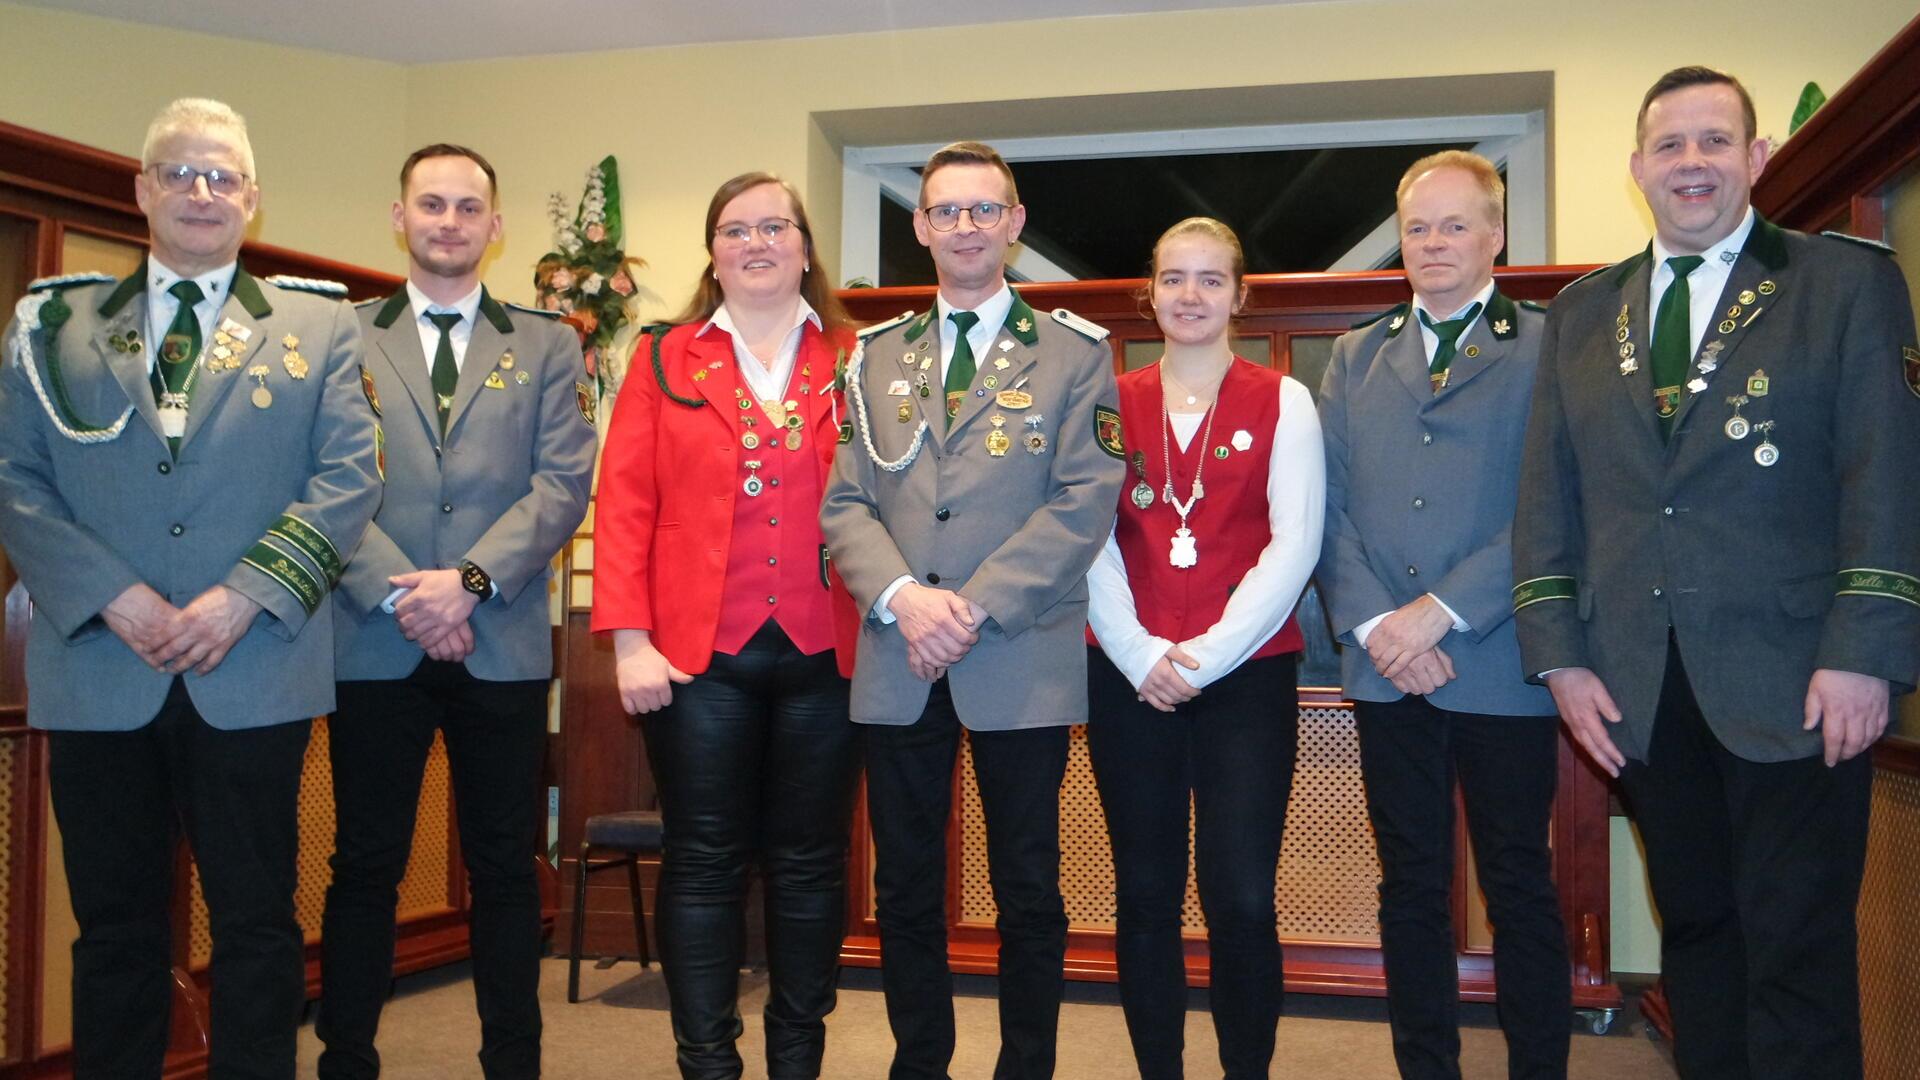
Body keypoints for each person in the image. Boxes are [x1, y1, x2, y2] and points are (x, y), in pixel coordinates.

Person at [1513, 66, 1920, 1079]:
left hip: (1803, 679)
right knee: (1696, 932)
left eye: (1713, 142)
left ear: (1756, 157)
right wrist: (1561, 660)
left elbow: (1888, 474)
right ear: (1638, 168)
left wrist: (1866, 653)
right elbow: (1548, 498)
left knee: (1798, 949)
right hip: (1640, 686)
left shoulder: (1845, 284)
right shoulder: (1580, 314)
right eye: (1671, 145)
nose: (1691, 163)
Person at [0, 97, 381, 1078]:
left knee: (256, 926)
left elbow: (349, 480)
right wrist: (114, 596)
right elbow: (15, 475)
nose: (202, 191)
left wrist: (245, 597)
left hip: (252, 666)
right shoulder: (54, 324)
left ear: (251, 198)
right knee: (115, 929)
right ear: (142, 189)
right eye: (180, 172)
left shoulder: (320, 324)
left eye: (222, 176)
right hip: (99, 667)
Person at [820, 140, 1125, 1080]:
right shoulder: (872, 358)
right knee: (903, 885)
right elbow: (844, 505)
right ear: (919, 228)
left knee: (1028, 887)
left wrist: (973, 608)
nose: (964, 227)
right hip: (899, 655)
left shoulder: (1074, 356)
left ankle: (1025, 1065)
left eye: (983, 210)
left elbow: (1085, 500)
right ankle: (920, 1063)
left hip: (1017, 656)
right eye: (945, 211)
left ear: (1015, 223)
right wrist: (910, 601)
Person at [317, 144, 596, 1080]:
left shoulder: (550, 342)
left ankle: (512, 1062)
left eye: (468, 207)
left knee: (508, 873)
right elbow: (320, 485)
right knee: (364, 868)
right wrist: (408, 593)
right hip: (373, 639)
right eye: (430, 204)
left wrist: (468, 584)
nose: (448, 220)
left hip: (501, 643)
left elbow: (562, 486)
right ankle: (346, 1059)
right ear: (399, 217)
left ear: (495, 225)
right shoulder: (337, 334)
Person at [593, 172, 863, 1080]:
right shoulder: (663, 358)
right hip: (696, 657)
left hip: (830, 653)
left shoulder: (857, 357)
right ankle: (707, 1062)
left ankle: (798, 1059)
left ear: (803, 245)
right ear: (712, 251)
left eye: (774, 226)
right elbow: (625, 502)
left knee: (809, 865)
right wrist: (629, 638)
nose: (756, 242)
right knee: (703, 860)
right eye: (736, 228)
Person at [1317, 151, 1570, 1080]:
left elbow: (1555, 505)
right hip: (1387, 668)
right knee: (1411, 888)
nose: (1432, 243)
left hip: (1499, 662)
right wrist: (1380, 623)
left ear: (1496, 235)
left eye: (1454, 224)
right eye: (1417, 227)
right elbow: (1327, 513)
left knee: (1518, 884)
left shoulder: (1550, 343)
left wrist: (1441, 612)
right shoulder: (1355, 353)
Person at [1084, 217, 1323, 1080]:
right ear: (1149, 292)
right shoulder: (1106, 399)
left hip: (1247, 681)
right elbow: (1090, 538)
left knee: (1242, 900)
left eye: (1210, 279)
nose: (1191, 295)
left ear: (1239, 294)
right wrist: (1139, 653)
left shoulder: (1283, 398)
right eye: (1174, 278)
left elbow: (1295, 544)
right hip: (1128, 679)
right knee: (1145, 897)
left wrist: (1205, 658)